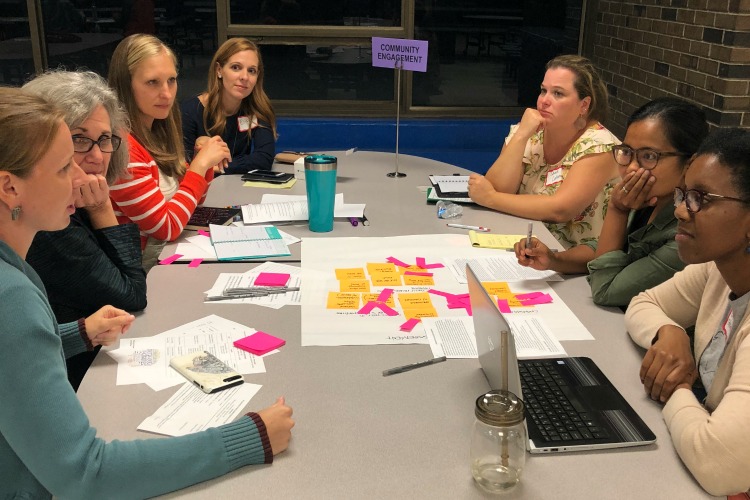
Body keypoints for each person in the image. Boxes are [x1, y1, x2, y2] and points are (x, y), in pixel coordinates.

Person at [0, 87, 294, 499]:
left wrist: (75, 333)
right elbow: (87, 474)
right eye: (65, 168)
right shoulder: (10, 296)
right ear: (10, 188)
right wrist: (248, 438)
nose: (84, 177)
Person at [625, 128, 750, 496]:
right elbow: (644, 303)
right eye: (683, 194)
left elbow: (719, 465)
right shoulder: (719, 268)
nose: (680, 209)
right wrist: (670, 331)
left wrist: (677, 387)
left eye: (701, 199)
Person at [514, 98, 709, 308]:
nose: (633, 167)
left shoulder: (689, 229)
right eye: (627, 152)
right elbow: (606, 249)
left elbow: (605, 289)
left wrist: (618, 209)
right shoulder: (652, 199)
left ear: (690, 163)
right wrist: (554, 260)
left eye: (649, 156)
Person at [23, 70, 148, 391]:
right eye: (79, 139)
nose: (95, 156)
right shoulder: (47, 222)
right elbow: (131, 295)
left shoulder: (71, 204)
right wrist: (102, 208)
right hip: (76, 380)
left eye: (104, 139)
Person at [468, 55, 620, 250]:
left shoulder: (600, 145)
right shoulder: (530, 130)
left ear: (584, 105)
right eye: (543, 91)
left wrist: (490, 198)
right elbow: (499, 187)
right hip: (522, 245)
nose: (544, 101)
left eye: (558, 94)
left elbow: (560, 210)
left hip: (572, 260)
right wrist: (522, 135)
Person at [107, 34, 232, 271]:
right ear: (125, 84)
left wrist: (202, 165)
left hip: (166, 259)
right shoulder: (121, 147)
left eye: (171, 80)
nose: (166, 93)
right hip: (145, 273)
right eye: (152, 82)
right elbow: (167, 227)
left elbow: (189, 205)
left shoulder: (157, 131)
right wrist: (199, 166)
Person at [181, 37, 277, 175]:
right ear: (219, 70)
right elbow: (184, 167)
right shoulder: (189, 112)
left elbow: (264, 159)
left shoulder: (256, 110)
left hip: (238, 188)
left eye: (251, 70)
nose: (244, 77)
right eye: (236, 67)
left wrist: (218, 167)